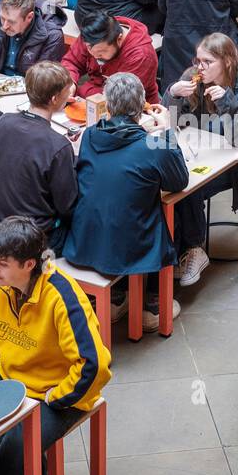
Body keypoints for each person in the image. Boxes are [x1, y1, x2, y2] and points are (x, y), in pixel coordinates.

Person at [0, 216, 111, 475]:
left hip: (57, 394)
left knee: (17, 444)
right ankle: (22, 471)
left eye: (2, 264)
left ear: (29, 264)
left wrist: (55, 398)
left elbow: (94, 365)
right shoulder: (1, 284)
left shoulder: (62, 297)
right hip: (12, 379)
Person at [63, 70, 186, 324]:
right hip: (128, 250)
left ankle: (120, 297)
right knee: (166, 213)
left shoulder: (89, 135)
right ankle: (152, 301)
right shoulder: (151, 146)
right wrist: (166, 132)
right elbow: (179, 181)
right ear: (143, 104)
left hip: (84, 239)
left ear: (108, 106)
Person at [166, 32, 238, 281]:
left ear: (227, 62)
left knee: (189, 188)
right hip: (199, 153)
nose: (199, 67)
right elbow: (170, 123)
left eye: (207, 62)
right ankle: (179, 252)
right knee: (171, 184)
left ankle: (193, 249)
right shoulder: (192, 78)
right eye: (197, 60)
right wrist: (173, 95)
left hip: (236, 163)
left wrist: (228, 103)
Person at [0, 61, 78, 253]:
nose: (69, 96)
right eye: (66, 93)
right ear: (54, 99)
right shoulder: (58, 146)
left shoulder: (3, 123)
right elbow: (67, 206)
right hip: (38, 236)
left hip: (1, 221)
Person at [62, 9, 160, 104]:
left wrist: (81, 89)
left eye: (101, 52)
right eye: (89, 49)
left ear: (119, 39)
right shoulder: (93, 35)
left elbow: (120, 98)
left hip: (132, 110)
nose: (95, 56)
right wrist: (70, 83)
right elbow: (71, 61)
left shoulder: (141, 56)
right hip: (91, 96)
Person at [0, 0, 68, 76]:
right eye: (3, 18)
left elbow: (43, 80)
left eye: (11, 22)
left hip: (29, 87)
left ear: (29, 17)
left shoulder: (52, 35)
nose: (4, 26)